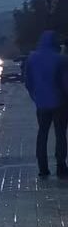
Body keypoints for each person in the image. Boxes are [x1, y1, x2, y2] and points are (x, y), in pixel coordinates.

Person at [24, 30, 68, 176]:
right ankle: (61, 166)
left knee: (42, 133)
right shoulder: (61, 59)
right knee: (60, 133)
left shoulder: (32, 58)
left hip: (41, 103)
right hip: (60, 102)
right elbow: (65, 82)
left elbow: (28, 82)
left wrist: (35, 96)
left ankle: (43, 168)